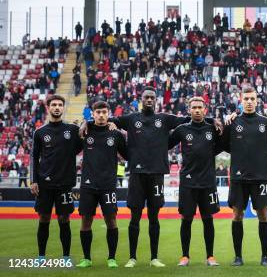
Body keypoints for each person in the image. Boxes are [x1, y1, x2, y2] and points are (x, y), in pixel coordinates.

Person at [80, 87, 191, 268]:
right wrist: (87, 122)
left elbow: (188, 119)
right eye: (146, 97)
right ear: (141, 99)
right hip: (137, 175)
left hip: (156, 175)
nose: (149, 100)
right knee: (135, 217)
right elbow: (106, 119)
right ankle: (132, 257)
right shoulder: (131, 119)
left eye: (152, 98)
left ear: (156, 100)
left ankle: (154, 257)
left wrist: (212, 120)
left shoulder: (164, 119)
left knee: (154, 218)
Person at [222, 86, 267, 266]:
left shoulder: (266, 123)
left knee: (263, 215)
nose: (249, 102)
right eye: (245, 99)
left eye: (252, 99)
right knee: (237, 215)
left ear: (257, 100)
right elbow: (223, 143)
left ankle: (265, 257)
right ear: (241, 100)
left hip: (261, 177)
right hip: (239, 178)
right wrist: (225, 122)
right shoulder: (233, 122)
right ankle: (238, 257)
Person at [170, 97, 224, 267]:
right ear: (189, 110)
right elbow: (164, 144)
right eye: (194, 107)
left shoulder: (213, 128)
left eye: (200, 107)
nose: (197, 110)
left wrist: (215, 121)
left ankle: (210, 256)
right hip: (188, 182)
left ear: (205, 109)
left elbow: (224, 141)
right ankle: (185, 256)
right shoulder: (181, 130)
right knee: (186, 219)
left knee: (208, 219)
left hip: (208, 182)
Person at [75, 101, 127, 269]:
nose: (102, 115)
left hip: (108, 185)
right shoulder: (85, 132)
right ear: (93, 114)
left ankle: (111, 258)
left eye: (104, 112)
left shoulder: (116, 134)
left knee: (111, 220)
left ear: (108, 113)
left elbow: (128, 155)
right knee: (86, 221)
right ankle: (86, 258)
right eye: (98, 112)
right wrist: (84, 123)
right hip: (88, 185)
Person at [30, 95, 81, 263]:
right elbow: (34, 157)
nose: (57, 107)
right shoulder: (40, 132)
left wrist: (84, 125)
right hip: (44, 184)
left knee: (64, 219)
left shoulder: (72, 130)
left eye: (60, 105)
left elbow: (83, 142)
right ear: (48, 108)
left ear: (63, 108)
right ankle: (41, 256)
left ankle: (66, 257)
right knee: (44, 218)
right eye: (54, 105)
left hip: (65, 183)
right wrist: (33, 180)